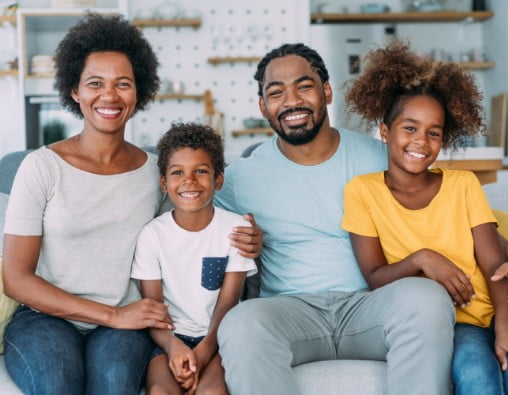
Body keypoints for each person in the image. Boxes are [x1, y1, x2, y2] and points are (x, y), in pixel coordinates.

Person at [1, 14, 261, 394]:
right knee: (57, 384)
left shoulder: (154, 171)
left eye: (123, 84)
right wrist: (113, 314)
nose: (109, 96)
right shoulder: (41, 167)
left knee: (115, 385)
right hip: (47, 318)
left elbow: (191, 227)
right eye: (95, 84)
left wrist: (246, 235)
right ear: (75, 91)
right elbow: (16, 278)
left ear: (138, 93)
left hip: (126, 320)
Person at [215, 42, 456, 395]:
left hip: (372, 306)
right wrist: (237, 239)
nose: (292, 101)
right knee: (240, 324)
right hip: (290, 312)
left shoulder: (380, 157)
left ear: (326, 92)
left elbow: (453, 207)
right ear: (263, 106)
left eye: (304, 86)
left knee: (426, 299)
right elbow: (192, 220)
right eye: (276, 92)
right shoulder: (241, 177)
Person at [342, 42, 508, 395]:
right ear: (385, 132)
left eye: (433, 132)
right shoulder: (362, 192)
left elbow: (495, 262)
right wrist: (422, 259)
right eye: (409, 128)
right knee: (477, 380)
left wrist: (506, 325)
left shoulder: (462, 184)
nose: (421, 142)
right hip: (456, 324)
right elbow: (375, 278)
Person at [132, 123, 257, 395]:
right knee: (159, 392)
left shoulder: (237, 229)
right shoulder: (152, 235)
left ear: (218, 180)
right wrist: (174, 347)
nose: (189, 181)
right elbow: (153, 309)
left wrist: (202, 353)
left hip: (218, 338)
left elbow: (227, 304)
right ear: (164, 184)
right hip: (167, 340)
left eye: (201, 171)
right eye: (178, 173)